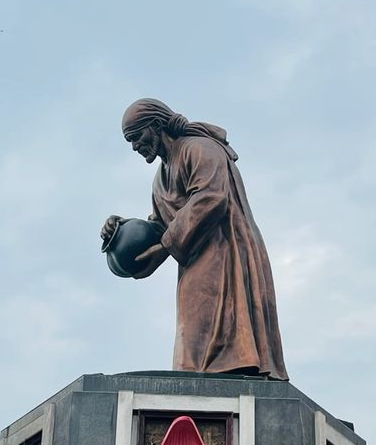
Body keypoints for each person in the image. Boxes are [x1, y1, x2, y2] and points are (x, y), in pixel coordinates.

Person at [101, 99, 288, 380]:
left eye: (137, 137)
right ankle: (201, 398)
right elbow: (160, 225)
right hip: (193, 261)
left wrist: (166, 243)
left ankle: (233, 383)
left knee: (222, 330)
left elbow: (211, 196)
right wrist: (121, 229)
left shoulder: (199, 149)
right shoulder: (160, 179)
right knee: (194, 340)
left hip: (225, 253)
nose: (135, 147)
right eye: (129, 141)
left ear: (155, 126)